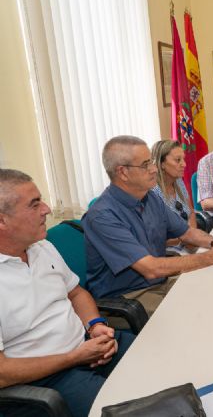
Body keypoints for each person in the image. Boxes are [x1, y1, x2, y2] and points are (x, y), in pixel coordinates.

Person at [0, 169, 135, 417]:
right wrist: (74, 357)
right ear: (2, 221)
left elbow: (76, 293)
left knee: (162, 362)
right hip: (45, 380)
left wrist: (94, 325)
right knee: (132, 409)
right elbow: (2, 373)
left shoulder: (42, 246)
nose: (47, 209)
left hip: (87, 346)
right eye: (34, 204)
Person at [83, 135, 213, 316]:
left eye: (151, 162)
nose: (153, 169)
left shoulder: (149, 197)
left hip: (159, 282)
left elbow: (187, 232)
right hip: (129, 296)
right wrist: (212, 257)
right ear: (123, 173)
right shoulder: (102, 216)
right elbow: (151, 268)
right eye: (145, 165)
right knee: (200, 312)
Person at [150, 140, 197, 253]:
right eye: (177, 160)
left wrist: (193, 236)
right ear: (161, 164)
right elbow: (154, 238)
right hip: (167, 252)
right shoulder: (151, 192)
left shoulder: (178, 180)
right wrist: (187, 239)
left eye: (183, 159)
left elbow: (191, 213)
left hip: (189, 243)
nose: (184, 164)